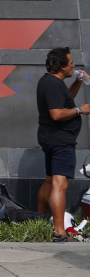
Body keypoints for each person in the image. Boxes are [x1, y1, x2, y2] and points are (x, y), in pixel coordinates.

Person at [36, 47, 89, 240]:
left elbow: (63, 100)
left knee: (50, 181)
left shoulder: (50, 82)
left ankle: (40, 220)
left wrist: (78, 82)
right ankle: (59, 231)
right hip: (60, 141)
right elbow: (57, 114)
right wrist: (80, 110)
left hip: (50, 138)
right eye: (71, 62)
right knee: (60, 184)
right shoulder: (53, 85)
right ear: (62, 66)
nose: (74, 65)